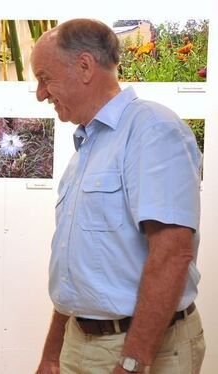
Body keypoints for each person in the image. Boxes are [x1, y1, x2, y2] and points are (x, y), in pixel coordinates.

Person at [31, 19, 204, 374]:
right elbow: (77, 273)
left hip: (142, 348)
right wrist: (52, 353)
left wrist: (133, 362)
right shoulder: (88, 146)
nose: (40, 93)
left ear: (84, 67)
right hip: (81, 342)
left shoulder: (152, 129)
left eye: (45, 77)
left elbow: (172, 253)